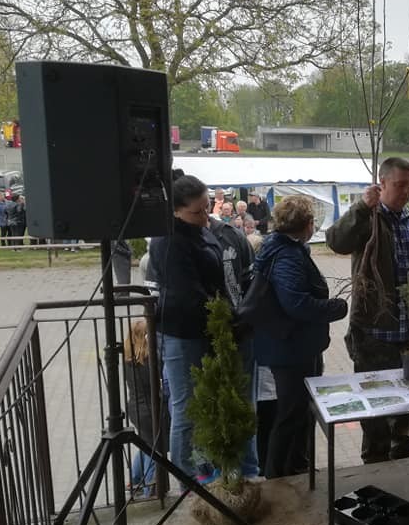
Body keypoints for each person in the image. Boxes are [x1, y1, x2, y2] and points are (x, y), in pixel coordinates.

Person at [326, 157, 409, 463]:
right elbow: (336, 241)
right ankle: (374, 458)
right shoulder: (369, 219)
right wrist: (361, 208)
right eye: (400, 185)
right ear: (382, 183)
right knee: (375, 402)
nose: (408, 191)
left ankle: (403, 444)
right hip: (375, 333)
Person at [255, 195, 348, 478]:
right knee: (290, 413)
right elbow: (296, 304)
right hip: (290, 350)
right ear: (307, 224)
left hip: (296, 346)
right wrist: (335, 307)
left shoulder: (286, 249)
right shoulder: (286, 255)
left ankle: (296, 466)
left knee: (299, 412)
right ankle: (277, 476)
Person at [149, 172, 227, 484]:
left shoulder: (199, 230)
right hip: (182, 332)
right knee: (185, 407)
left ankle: (202, 465)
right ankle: (185, 477)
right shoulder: (169, 241)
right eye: (197, 211)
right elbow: (188, 291)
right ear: (177, 211)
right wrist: (220, 314)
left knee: (203, 403)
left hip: (203, 328)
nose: (205, 216)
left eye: (207, 207)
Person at [209, 212, 259, 479]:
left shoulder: (233, 237)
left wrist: (243, 318)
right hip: (204, 338)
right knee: (208, 408)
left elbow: (251, 284)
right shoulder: (176, 240)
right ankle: (211, 475)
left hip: (240, 335)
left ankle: (248, 472)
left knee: (245, 405)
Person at [123, 319, 158, 496]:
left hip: (134, 408)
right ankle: (149, 490)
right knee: (155, 449)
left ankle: (135, 480)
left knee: (145, 444)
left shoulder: (128, 359)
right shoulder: (148, 360)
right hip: (149, 410)